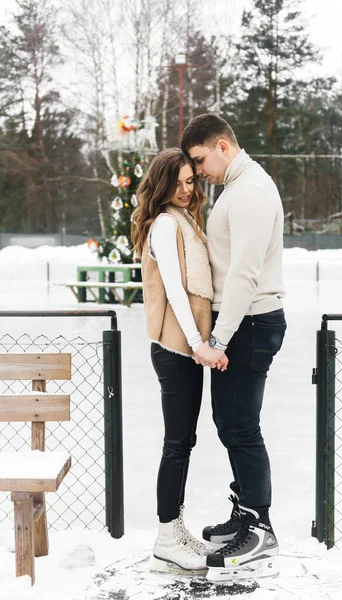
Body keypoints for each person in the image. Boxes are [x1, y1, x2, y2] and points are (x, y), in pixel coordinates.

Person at [181, 114, 287, 582]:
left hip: (249, 322)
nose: (198, 171)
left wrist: (218, 339)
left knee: (241, 426)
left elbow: (244, 275)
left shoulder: (249, 193)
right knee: (231, 422)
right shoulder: (238, 187)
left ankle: (260, 527)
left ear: (222, 145)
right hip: (241, 323)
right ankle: (245, 512)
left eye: (200, 160)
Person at [131, 148, 228, 576]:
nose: (186, 190)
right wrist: (197, 344)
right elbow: (174, 288)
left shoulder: (183, 218)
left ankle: (174, 528)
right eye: (177, 182)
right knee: (176, 445)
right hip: (175, 350)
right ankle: (166, 540)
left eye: (191, 181)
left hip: (185, 347)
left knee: (183, 442)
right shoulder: (166, 224)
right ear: (161, 183)